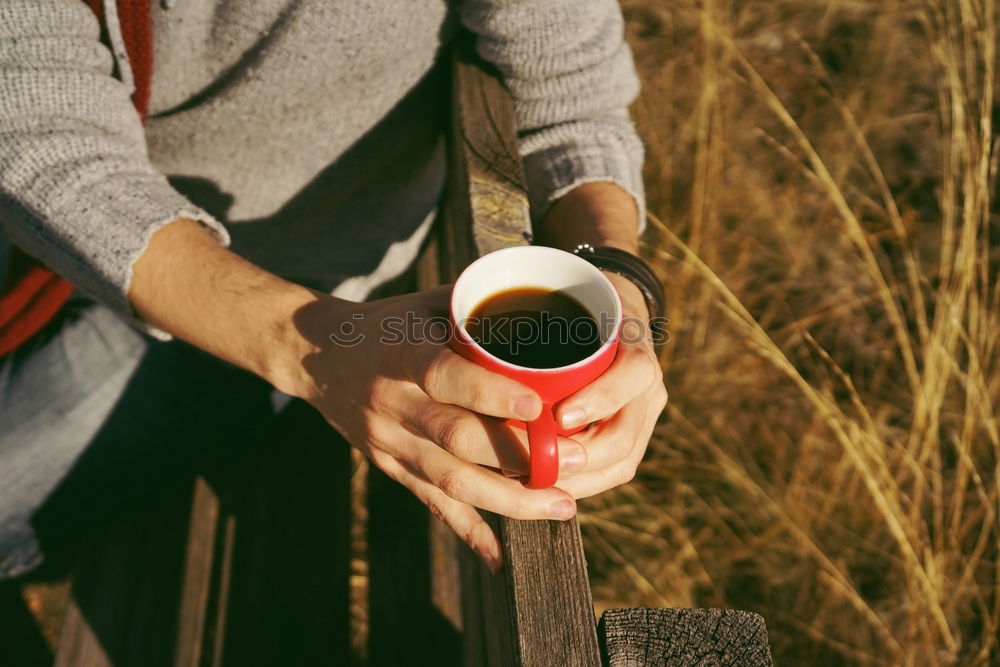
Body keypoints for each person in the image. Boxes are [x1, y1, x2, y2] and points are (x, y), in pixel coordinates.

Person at [0, 0, 667, 578]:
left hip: (277, 312)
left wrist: (621, 285)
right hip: (77, 248)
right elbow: (34, 127)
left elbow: (572, 108)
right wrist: (310, 349)